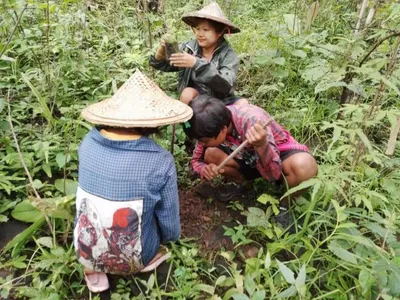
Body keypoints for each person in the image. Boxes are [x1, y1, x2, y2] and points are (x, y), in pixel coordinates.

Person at [74, 70, 193, 292]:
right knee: (155, 219)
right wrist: (169, 239)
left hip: (84, 248)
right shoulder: (160, 161)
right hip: (134, 256)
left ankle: (93, 268)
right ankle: (145, 261)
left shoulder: (88, 142)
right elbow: (169, 223)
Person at [183, 95, 318, 228]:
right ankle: (242, 183)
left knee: (305, 166)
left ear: (223, 129)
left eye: (204, 141)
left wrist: (261, 145)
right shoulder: (208, 123)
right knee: (210, 154)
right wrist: (203, 169)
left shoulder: (252, 121)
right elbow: (196, 160)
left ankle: (284, 204)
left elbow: (273, 175)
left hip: (275, 157)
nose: (200, 144)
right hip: (247, 157)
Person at [149, 2, 248, 106]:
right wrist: (162, 49)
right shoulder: (188, 48)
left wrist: (196, 63)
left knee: (243, 103)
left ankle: (226, 121)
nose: (200, 34)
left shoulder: (228, 55)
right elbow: (160, 64)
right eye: (197, 29)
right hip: (197, 101)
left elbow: (226, 85)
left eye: (206, 30)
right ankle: (188, 122)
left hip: (221, 101)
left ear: (219, 33)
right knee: (187, 93)